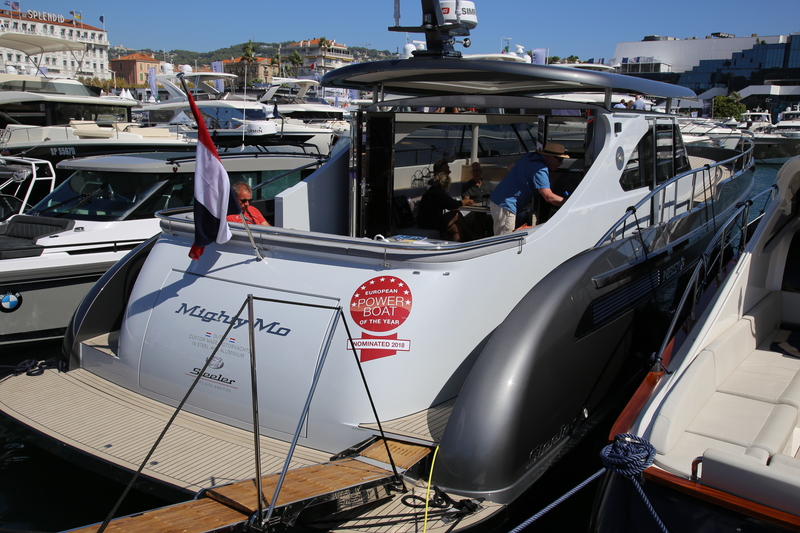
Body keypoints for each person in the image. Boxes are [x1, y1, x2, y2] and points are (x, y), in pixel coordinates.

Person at [489, 142, 569, 235]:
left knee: (501, 237)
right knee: (503, 242)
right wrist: (569, 202)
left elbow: (510, 167)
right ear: (550, 157)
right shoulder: (540, 169)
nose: (562, 163)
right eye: (560, 159)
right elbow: (549, 197)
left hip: (497, 200)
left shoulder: (530, 156)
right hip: (506, 205)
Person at [417, 170, 474, 241]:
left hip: (423, 222)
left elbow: (449, 204)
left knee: (456, 227)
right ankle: (470, 234)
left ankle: (456, 245)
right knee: (457, 214)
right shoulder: (439, 193)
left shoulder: (429, 192)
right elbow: (453, 205)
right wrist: (465, 201)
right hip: (431, 223)